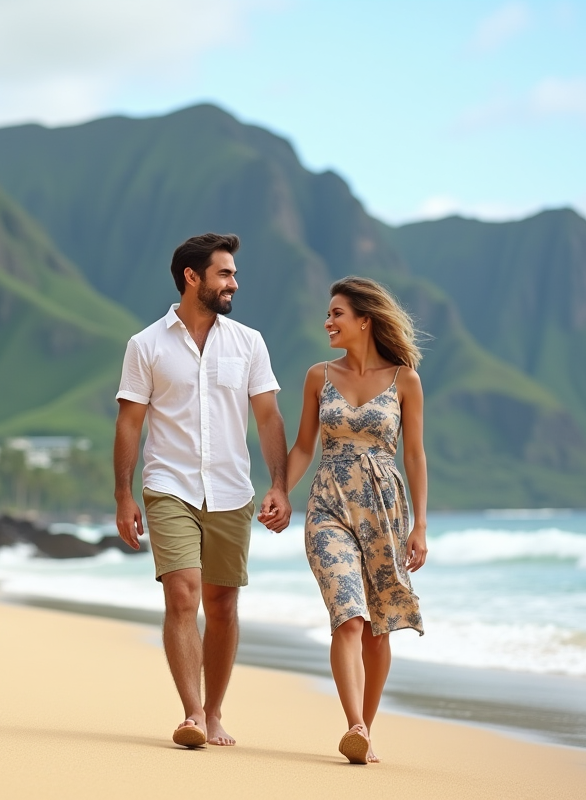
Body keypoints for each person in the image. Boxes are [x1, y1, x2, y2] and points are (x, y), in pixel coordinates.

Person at [113, 232, 291, 749]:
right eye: (225, 273)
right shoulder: (146, 345)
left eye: (233, 273)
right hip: (169, 483)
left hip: (233, 489)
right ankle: (191, 713)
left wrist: (279, 484)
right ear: (193, 278)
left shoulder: (249, 342)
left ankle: (214, 713)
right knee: (183, 592)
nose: (234, 282)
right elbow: (130, 424)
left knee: (223, 604)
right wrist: (124, 496)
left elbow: (267, 415)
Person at [285, 276, 428, 765]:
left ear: (364, 320)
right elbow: (305, 446)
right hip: (328, 506)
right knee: (348, 615)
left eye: (337, 314)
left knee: (378, 628)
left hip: (385, 511)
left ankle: (366, 733)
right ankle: (355, 725)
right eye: (328, 314)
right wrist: (280, 490)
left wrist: (420, 526)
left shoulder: (404, 379)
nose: (328, 322)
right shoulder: (317, 376)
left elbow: (414, 456)